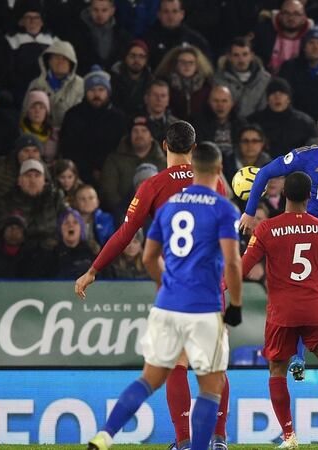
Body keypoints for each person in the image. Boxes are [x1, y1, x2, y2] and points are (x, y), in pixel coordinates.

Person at [75, 125, 231, 450]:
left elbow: (125, 236)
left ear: (163, 146)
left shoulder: (153, 186)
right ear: (195, 146)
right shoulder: (215, 185)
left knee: (171, 366)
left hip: (175, 290)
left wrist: (94, 269)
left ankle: (182, 441)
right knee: (212, 369)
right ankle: (217, 440)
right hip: (210, 288)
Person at [240, 106, 318, 382]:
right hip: (299, 237)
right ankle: (297, 359)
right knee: (300, 302)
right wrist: (250, 212)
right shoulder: (304, 157)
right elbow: (263, 174)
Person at [241, 172, 318, 448]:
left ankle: (289, 435)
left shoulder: (266, 229)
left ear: (284, 196)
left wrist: (220, 286)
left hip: (282, 311)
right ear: (310, 197)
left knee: (277, 371)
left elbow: (244, 267)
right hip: (316, 309)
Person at [213, 36, 272, 119]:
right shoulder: (218, 79)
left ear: (252, 55)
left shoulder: (265, 79)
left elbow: (264, 109)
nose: (241, 60)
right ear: (229, 57)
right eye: (236, 55)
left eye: (245, 54)